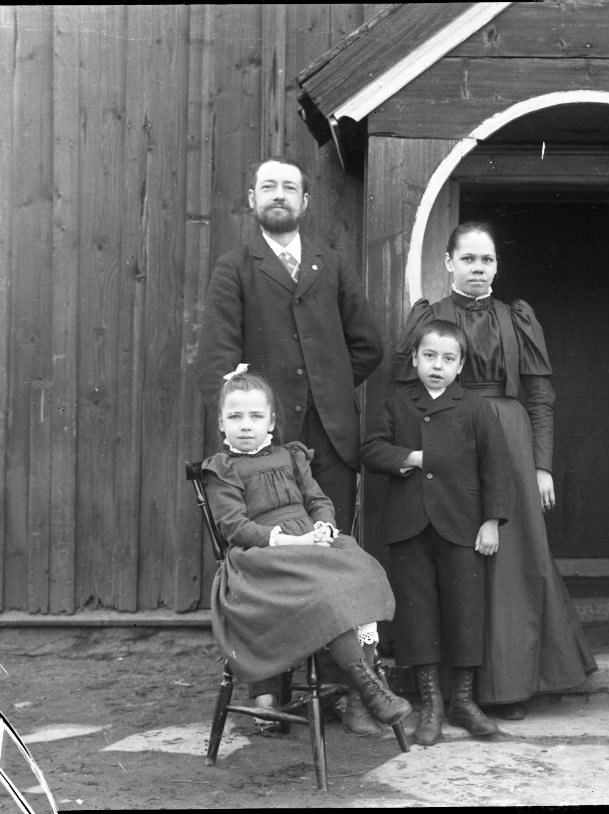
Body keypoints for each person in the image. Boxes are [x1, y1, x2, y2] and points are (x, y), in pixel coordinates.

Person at [196, 156, 386, 735]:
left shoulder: (332, 264)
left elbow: (367, 345)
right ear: (252, 200)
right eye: (268, 187)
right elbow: (216, 361)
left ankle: (351, 689)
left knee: (331, 554)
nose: (278, 195)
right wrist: (253, 410)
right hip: (264, 452)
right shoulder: (236, 268)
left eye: (289, 188)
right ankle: (270, 692)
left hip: (330, 439)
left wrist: (327, 389)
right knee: (271, 565)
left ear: (305, 202)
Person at [392, 222, 596, 720]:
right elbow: (406, 394)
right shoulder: (428, 318)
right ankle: (450, 693)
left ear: (497, 266)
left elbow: (540, 397)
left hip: (509, 439)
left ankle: (509, 687)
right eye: (468, 259)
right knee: (452, 555)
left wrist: (541, 466)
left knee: (511, 563)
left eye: (486, 260)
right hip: (446, 439)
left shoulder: (516, 318)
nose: (478, 269)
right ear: (448, 263)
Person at [204, 369, 411, 734]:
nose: (246, 425)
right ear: (222, 423)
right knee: (327, 593)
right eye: (235, 417)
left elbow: (317, 500)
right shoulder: (223, 469)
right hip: (263, 555)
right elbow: (235, 527)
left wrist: (324, 526)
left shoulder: (291, 456)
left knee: (363, 573)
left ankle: (362, 697)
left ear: (271, 422)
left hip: (308, 542)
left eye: (256, 416)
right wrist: (292, 542)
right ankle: (368, 688)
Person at [362, 319, 513, 745]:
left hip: (462, 525)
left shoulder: (476, 408)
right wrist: (411, 457)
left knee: (466, 610)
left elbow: (496, 466)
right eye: (429, 356)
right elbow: (371, 450)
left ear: (460, 365)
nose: (437, 366)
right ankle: (431, 705)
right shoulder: (397, 404)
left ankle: (462, 701)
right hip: (409, 526)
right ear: (415, 358)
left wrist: (491, 520)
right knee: (418, 614)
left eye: (448, 359)